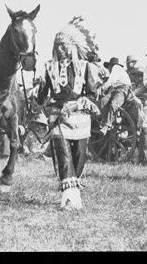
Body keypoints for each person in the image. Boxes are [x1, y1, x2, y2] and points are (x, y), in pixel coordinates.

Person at [36, 16, 101, 211]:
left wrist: (77, 104)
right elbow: (41, 98)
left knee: (78, 156)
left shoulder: (84, 67)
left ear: (72, 46)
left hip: (80, 118)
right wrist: (39, 88)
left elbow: (92, 95)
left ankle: (75, 196)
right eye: (57, 45)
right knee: (63, 156)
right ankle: (68, 198)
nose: (60, 49)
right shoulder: (49, 68)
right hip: (58, 118)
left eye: (64, 45)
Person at [98, 57, 135, 135]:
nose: (108, 70)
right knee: (102, 102)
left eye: (108, 68)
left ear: (111, 66)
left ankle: (107, 125)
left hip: (123, 89)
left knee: (113, 104)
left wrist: (102, 88)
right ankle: (105, 121)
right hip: (116, 89)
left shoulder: (116, 68)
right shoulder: (119, 72)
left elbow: (111, 80)